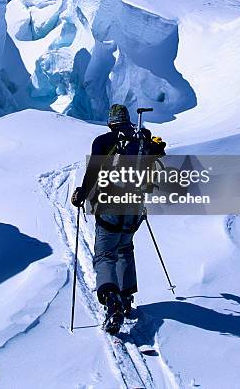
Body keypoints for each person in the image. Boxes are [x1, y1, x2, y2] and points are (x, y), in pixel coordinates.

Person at [71, 104, 165, 334]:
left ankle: (111, 299)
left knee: (105, 254)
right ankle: (126, 297)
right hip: (135, 206)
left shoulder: (103, 141)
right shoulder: (143, 137)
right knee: (125, 248)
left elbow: (93, 172)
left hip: (110, 204)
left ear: (110, 121)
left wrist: (81, 194)